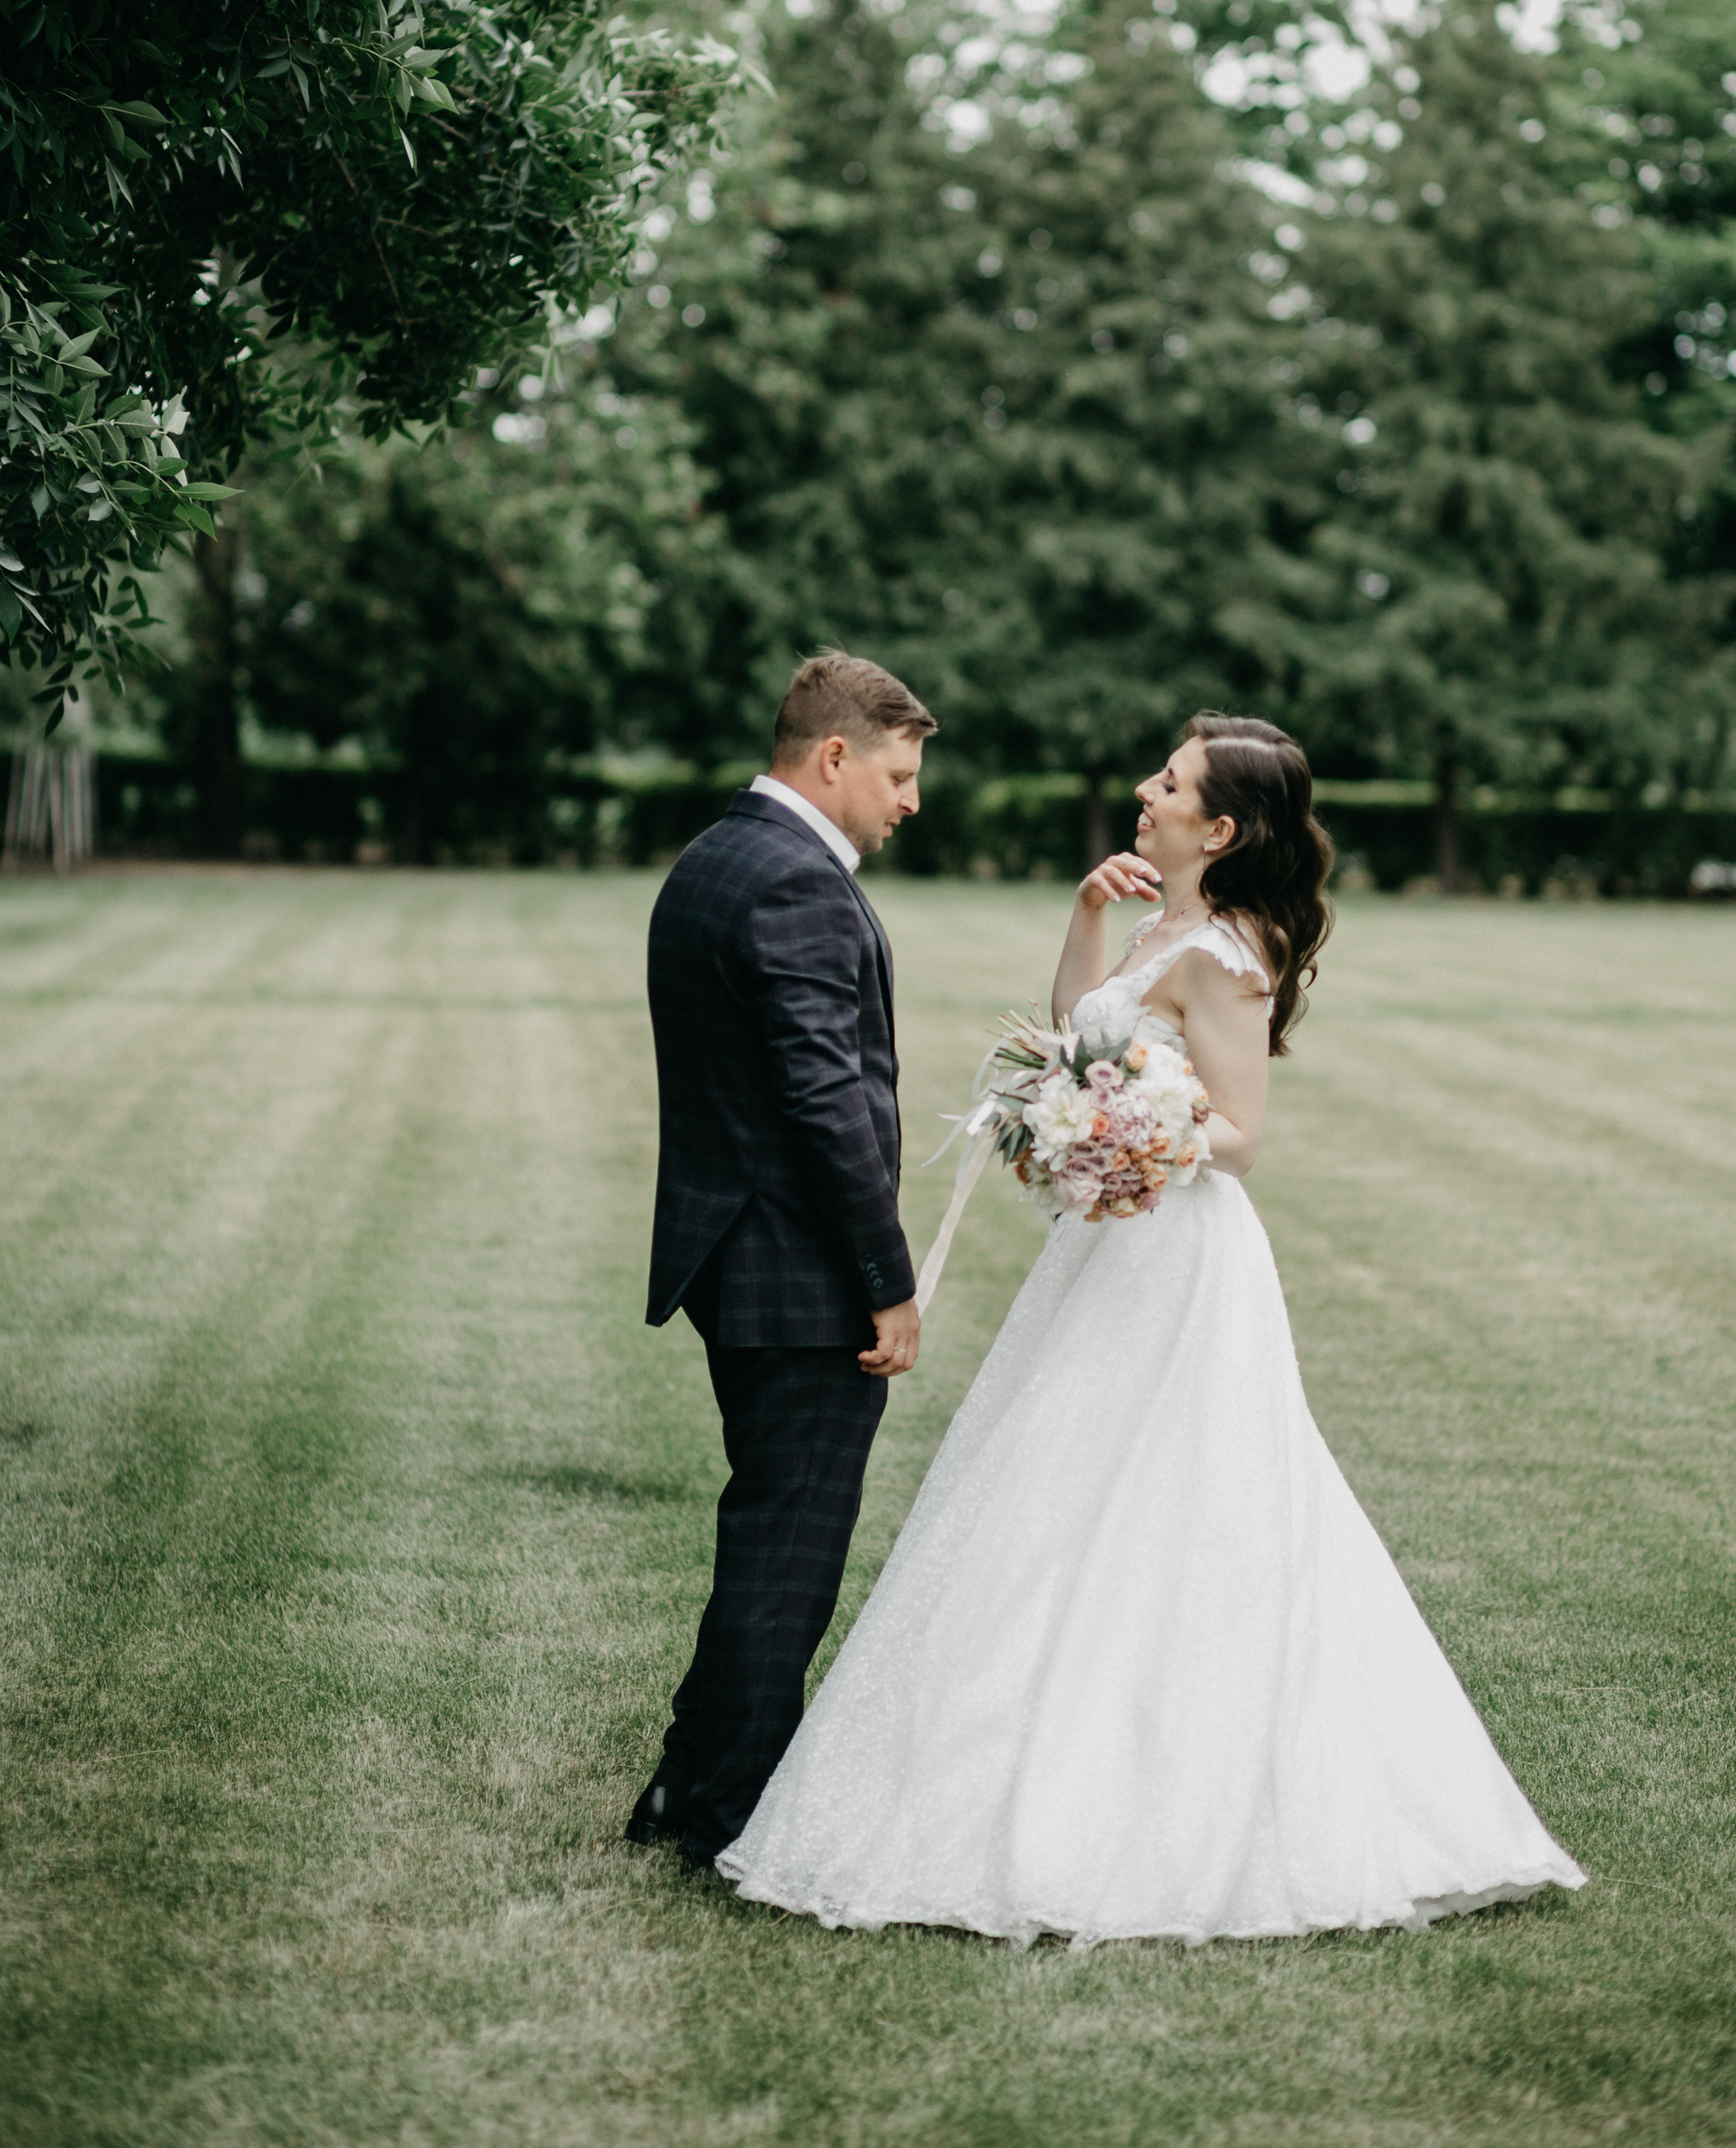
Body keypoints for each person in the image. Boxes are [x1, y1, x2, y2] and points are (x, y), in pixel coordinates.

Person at [715, 714, 1587, 1944]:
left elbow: (1239, 1133)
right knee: (1048, 1488)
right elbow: (1077, 1033)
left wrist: (1129, 1137)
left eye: (1168, 785)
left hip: (1178, 1259)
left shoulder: (1230, 952)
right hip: (1103, 1252)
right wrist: (1084, 925)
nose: (1144, 792)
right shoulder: (1157, 927)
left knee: (1179, 1502)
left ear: (1218, 830)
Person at [629, 652, 937, 1871]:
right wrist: (888, 1280)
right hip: (796, 1273)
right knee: (788, 1556)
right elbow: (825, 1105)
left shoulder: (717, 856)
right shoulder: (797, 885)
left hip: (735, 1253)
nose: (910, 801)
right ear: (835, 758)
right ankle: (730, 1820)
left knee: (766, 1530)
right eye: (901, 776)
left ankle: (683, 1781)